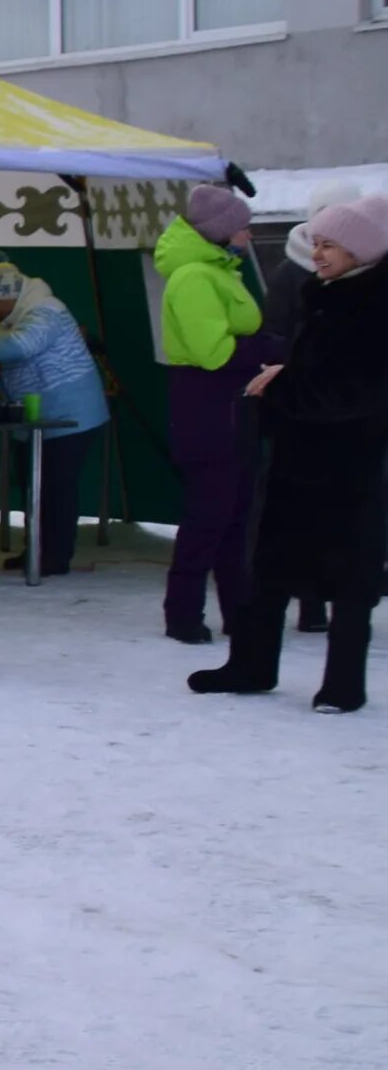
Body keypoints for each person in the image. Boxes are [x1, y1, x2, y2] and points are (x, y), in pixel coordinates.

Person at [189, 194, 388, 714]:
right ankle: (251, 665)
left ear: (362, 250)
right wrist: (286, 374)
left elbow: (352, 391)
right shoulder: (327, 292)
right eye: (317, 243)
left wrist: (280, 389)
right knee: (269, 566)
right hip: (301, 457)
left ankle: (343, 686)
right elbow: (319, 369)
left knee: (348, 582)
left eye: (329, 245)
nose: (317, 254)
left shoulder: (372, 304)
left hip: (349, 465)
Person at [155, 184, 263, 644]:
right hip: (208, 407)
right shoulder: (195, 277)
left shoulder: (217, 270)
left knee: (234, 514)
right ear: (220, 231)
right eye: (244, 227)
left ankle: (238, 611)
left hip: (228, 407)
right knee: (209, 516)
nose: (249, 236)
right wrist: (270, 349)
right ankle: (183, 612)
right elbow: (213, 350)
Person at [262, 183, 364, 633]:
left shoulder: (355, 281)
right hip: (306, 412)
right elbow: (279, 335)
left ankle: (322, 604)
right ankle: (309, 604)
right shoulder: (297, 274)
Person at [0, 261, 110, 577]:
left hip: (72, 415)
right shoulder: (2, 323)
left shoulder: (47, 310)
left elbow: (22, 347)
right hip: (32, 419)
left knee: (57, 487)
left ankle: (56, 557)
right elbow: (3, 364)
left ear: (12, 295)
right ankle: (36, 549)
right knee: (33, 487)